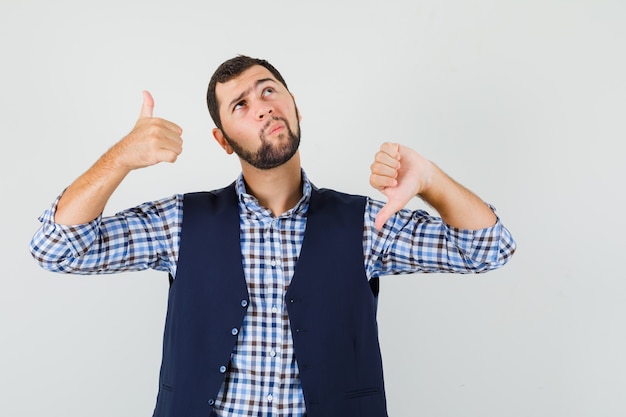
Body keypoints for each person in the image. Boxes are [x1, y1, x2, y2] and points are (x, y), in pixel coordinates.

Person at [30, 55, 516, 417]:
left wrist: (430, 179)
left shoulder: (367, 224)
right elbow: (56, 248)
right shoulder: (180, 222)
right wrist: (120, 159)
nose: (261, 108)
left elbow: (488, 249)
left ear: (294, 106)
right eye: (240, 104)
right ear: (222, 139)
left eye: (268, 91)